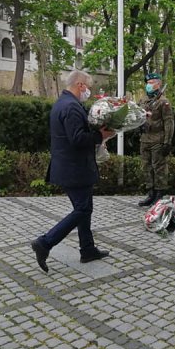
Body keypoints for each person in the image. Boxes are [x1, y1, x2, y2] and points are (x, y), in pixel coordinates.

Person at [31, 70, 113, 273]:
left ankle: (88, 249)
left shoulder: (64, 103)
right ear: (80, 85)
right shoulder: (71, 107)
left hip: (72, 167)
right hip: (74, 168)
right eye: (88, 86)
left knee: (85, 209)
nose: (89, 90)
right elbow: (77, 139)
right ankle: (45, 242)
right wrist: (100, 135)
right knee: (82, 210)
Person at [138, 72, 175, 207]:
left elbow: (169, 122)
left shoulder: (163, 102)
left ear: (158, 84)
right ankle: (151, 193)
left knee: (158, 168)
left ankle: (159, 195)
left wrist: (167, 142)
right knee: (146, 168)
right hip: (145, 139)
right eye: (148, 83)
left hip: (158, 140)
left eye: (152, 82)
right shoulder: (143, 100)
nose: (149, 85)